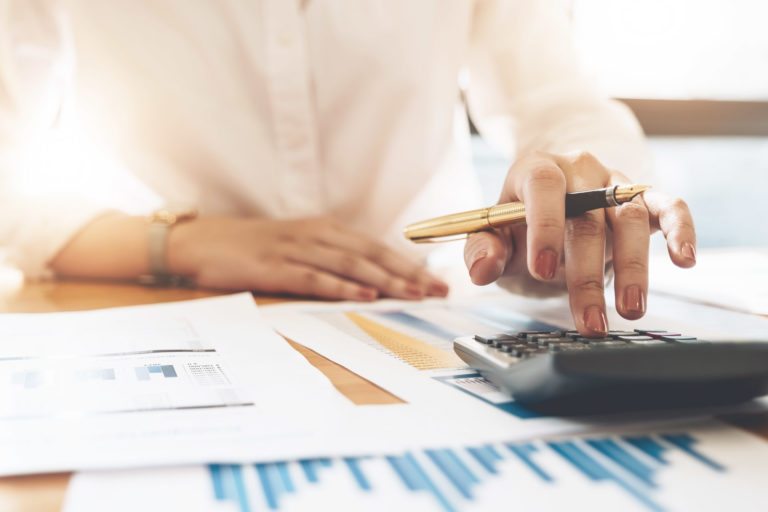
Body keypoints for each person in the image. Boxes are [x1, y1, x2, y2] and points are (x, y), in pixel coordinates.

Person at [0, 0, 695, 336]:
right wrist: (178, 242)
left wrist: (570, 198)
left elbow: (558, 104)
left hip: (417, 311)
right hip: (150, 312)